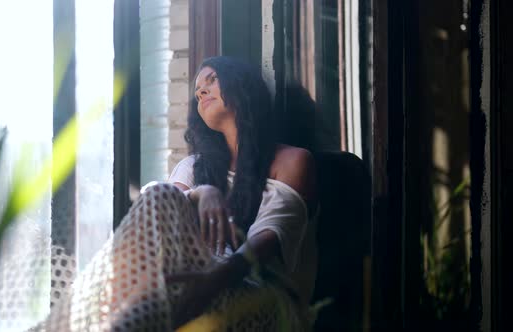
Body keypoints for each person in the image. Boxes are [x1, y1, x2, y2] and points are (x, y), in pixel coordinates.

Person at [31, 56, 318, 331]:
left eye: (213, 79)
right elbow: (161, 215)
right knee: (159, 195)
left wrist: (209, 284)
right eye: (196, 91)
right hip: (195, 282)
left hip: (264, 299)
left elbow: (265, 242)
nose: (201, 90)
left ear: (243, 86)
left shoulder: (292, 161)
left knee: (153, 298)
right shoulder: (192, 167)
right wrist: (202, 193)